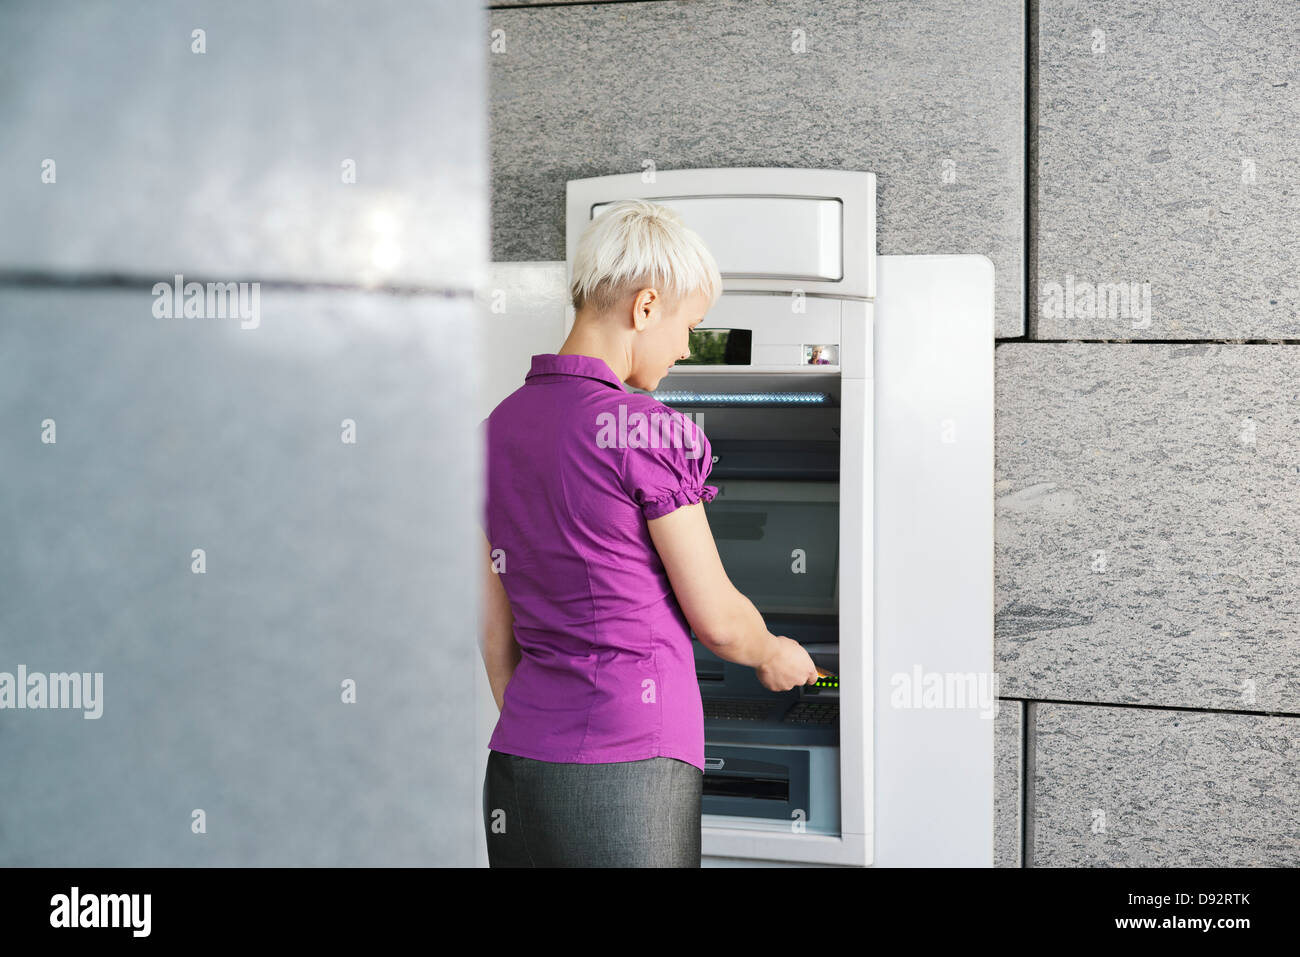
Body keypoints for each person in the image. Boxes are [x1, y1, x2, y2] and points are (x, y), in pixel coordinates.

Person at [478, 199, 820, 867]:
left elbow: (497, 631)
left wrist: (550, 731)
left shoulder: (493, 432)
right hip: (632, 764)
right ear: (645, 306)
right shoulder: (648, 428)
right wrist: (775, 651)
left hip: (518, 765)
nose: (687, 345)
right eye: (689, 324)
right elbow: (718, 620)